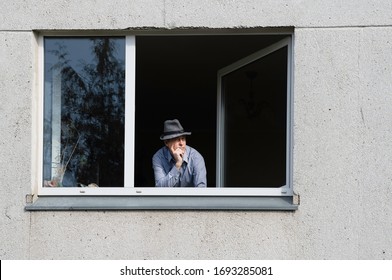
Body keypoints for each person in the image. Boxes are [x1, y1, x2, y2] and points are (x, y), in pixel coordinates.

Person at [152, 119, 207, 187]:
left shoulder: (196, 157)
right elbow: (160, 188)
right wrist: (177, 165)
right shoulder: (159, 157)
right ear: (166, 142)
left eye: (183, 139)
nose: (181, 143)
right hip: (167, 198)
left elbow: (201, 190)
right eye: (177, 139)